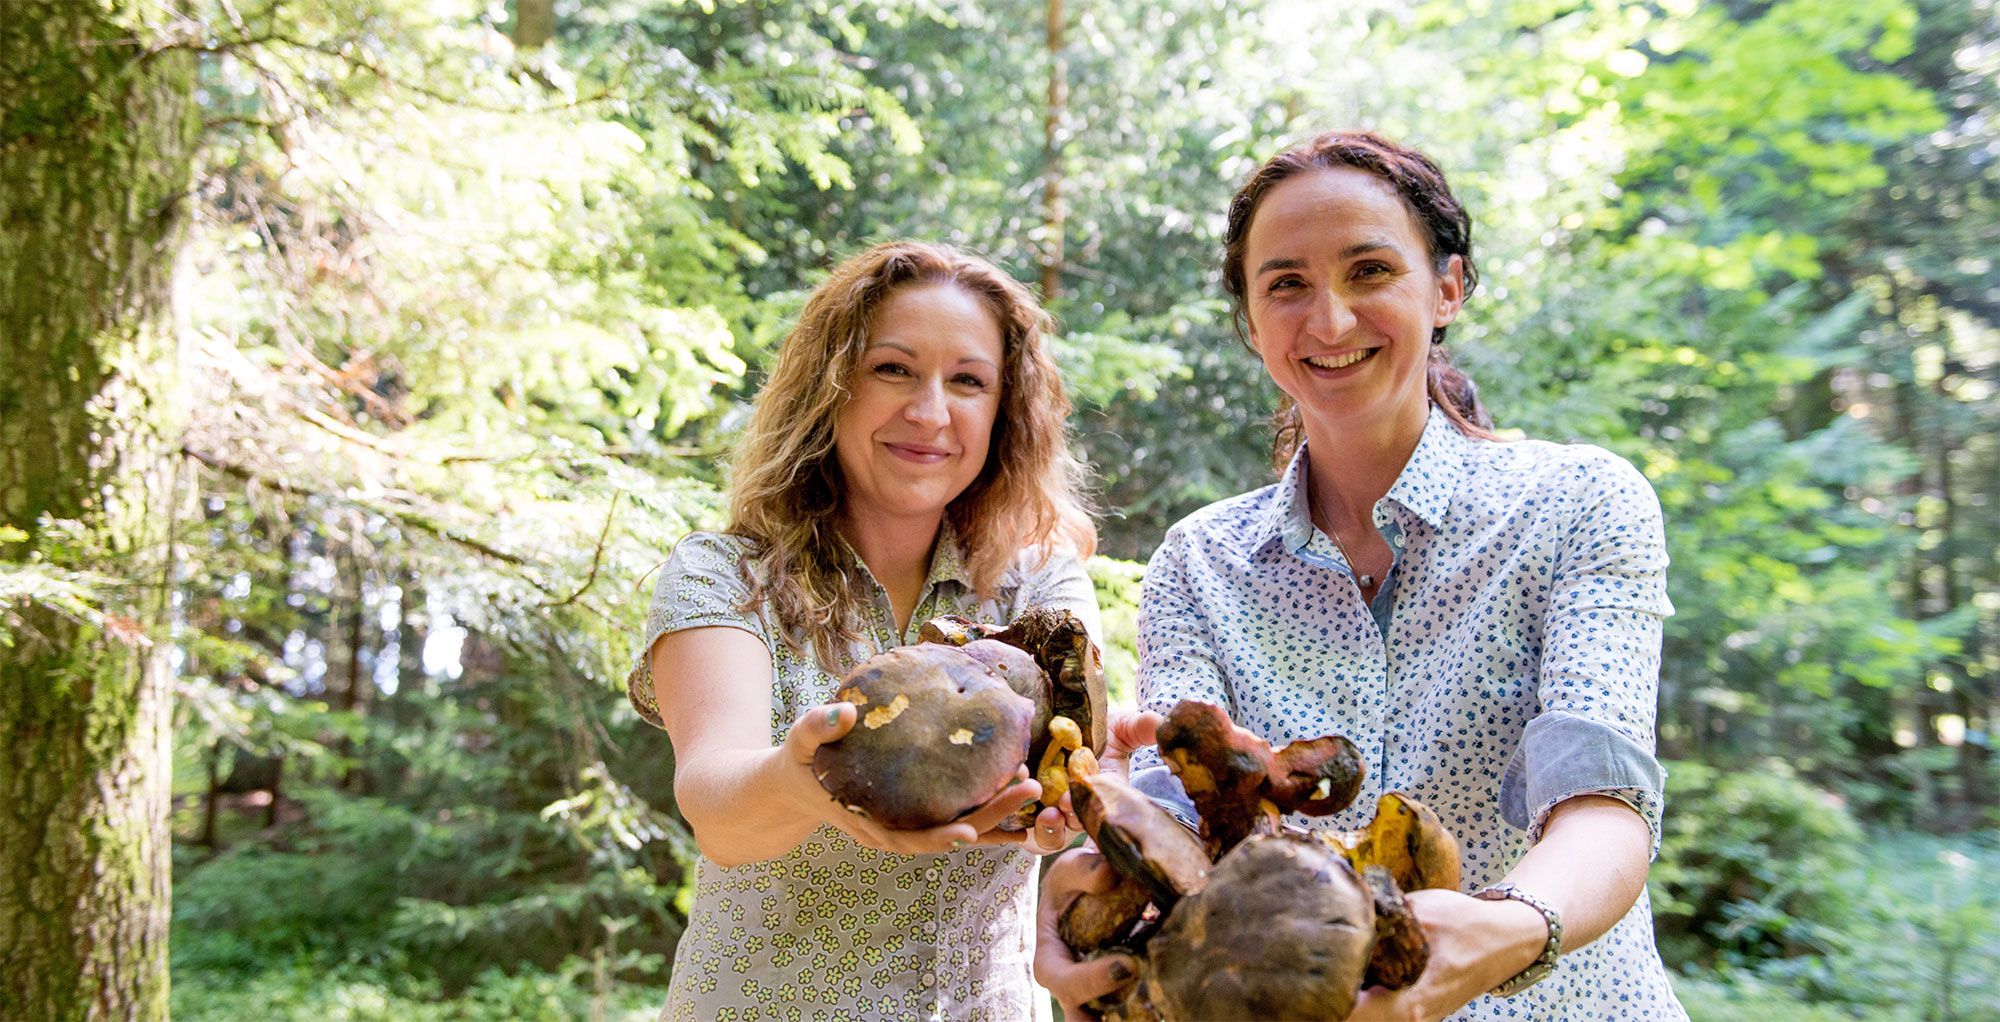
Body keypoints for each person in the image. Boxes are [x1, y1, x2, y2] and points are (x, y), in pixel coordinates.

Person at [1035, 131, 1688, 1020]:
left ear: (1447, 288)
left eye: (1371, 271)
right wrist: (1091, 878)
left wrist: (1508, 927)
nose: (1331, 320)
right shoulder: (1198, 562)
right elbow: (1176, 817)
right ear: (1253, 321)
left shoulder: (1579, 502)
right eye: (1288, 284)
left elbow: (1602, 799)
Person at [627, 240, 1101, 1021]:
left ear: (1003, 413)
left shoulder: (1038, 587)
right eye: (894, 369)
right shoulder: (726, 574)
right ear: (831, 385)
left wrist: (1078, 805)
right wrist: (798, 779)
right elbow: (715, 807)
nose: (930, 412)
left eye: (969, 382)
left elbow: (1083, 763)